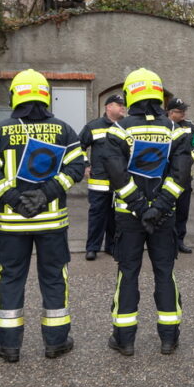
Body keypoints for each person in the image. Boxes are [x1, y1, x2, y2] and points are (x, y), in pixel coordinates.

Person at [0, 70, 85, 362]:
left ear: (14, 96)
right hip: (52, 222)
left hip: (12, 224)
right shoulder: (63, 130)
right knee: (53, 278)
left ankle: (9, 346)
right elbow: (76, 168)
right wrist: (46, 194)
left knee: (10, 279)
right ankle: (56, 342)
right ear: (45, 96)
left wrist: (15, 201)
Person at [97, 69, 192, 355]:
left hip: (129, 216)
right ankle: (169, 338)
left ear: (130, 94)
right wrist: (158, 208)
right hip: (164, 216)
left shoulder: (118, 130)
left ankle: (124, 339)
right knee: (165, 272)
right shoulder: (176, 130)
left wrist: (140, 208)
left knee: (128, 273)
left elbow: (117, 175)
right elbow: (181, 175)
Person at [79, 93, 124, 261]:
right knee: (97, 215)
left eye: (123, 105)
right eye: (119, 105)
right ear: (109, 107)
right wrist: (85, 164)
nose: (123, 108)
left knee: (116, 215)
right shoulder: (94, 126)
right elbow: (78, 146)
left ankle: (111, 246)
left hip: (119, 181)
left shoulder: (126, 126)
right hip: (99, 180)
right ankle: (92, 248)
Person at [167, 97, 194, 253]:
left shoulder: (190, 126)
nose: (184, 114)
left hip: (185, 177)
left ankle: (179, 240)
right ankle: (166, 242)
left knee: (182, 210)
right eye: (180, 111)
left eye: (185, 111)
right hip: (167, 176)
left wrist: (187, 161)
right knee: (167, 210)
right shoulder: (163, 125)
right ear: (171, 112)